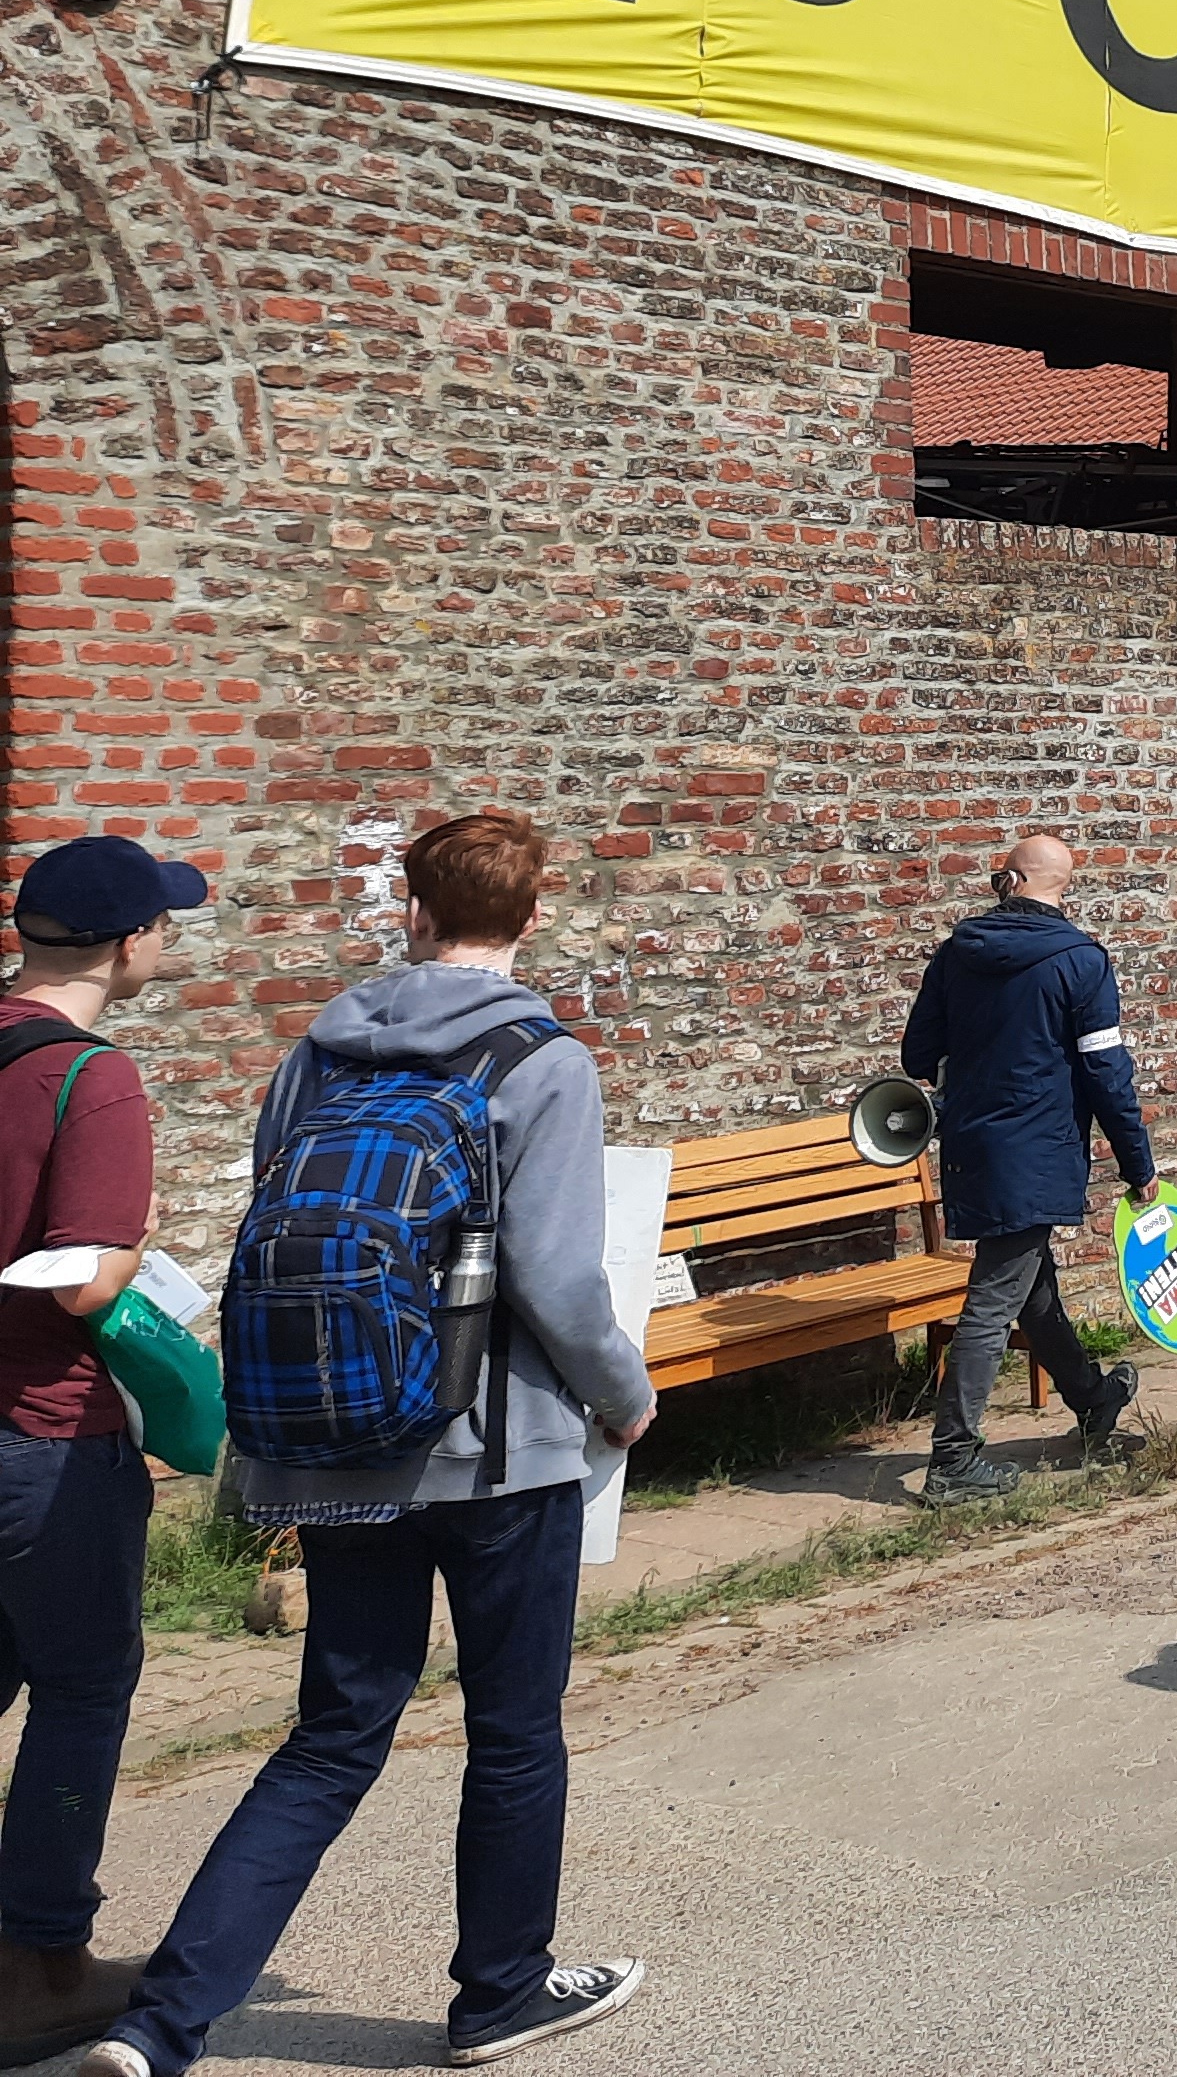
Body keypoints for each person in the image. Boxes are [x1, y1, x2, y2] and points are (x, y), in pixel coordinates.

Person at [94, 815, 652, 2077]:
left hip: (338, 1445)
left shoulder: (316, 1054)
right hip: (497, 1454)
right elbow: (558, 1279)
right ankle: (499, 1991)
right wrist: (625, 1392)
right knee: (514, 1728)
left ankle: (159, 2025)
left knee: (335, 1735)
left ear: (407, 906)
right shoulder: (541, 1058)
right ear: (533, 914)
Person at [0, 840, 192, 2061]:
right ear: (129, 946)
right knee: (80, 1687)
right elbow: (82, 1286)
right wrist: (134, 1242)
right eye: (164, 926)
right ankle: (42, 1964)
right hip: (44, 1433)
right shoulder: (93, 1079)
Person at [904, 833, 1158, 1502]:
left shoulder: (956, 954)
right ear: (1060, 885)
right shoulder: (1081, 962)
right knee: (992, 1303)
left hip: (971, 1144)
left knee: (1030, 1283)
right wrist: (1140, 1166)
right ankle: (953, 1460)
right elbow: (1107, 1074)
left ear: (1008, 880)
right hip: (1039, 1149)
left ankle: (1093, 1398)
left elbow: (917, 1054)